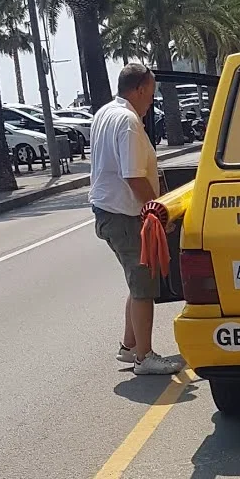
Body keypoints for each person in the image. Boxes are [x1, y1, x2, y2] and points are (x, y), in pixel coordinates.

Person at [89, 60, 183, 375]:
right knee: (144, 285)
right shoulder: (128, 121)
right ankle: (145, 357)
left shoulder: (105, 113)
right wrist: (157, 211)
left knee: (136, 278)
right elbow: (133, 176)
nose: (151, 101)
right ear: (140, 88)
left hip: (109, 211)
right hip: (124, 213)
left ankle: (130, 346)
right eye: (151, 93)